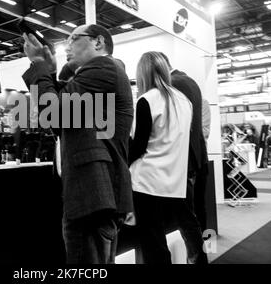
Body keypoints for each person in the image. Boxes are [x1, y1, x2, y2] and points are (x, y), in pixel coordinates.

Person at [21, 24, 134, 264]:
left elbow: (52, 111)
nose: (67, 46)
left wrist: (39, 64)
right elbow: (61, 119)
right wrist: (48, 71)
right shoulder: (99, 75)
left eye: (73, 39)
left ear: (98, 42)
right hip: (92, 195)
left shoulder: (103, 66)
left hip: (92, 194)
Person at [129, 51, 193, 264]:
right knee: (170, 234)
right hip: (175, 181)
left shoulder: (146, 100)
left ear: (142, 74)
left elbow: (138, 146)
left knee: (153, 243)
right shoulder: (184, 100)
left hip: (147, 182)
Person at [160, 52, 208, 264]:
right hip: (193, 158)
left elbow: (175, 127)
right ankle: (199, 257)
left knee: (186, 217)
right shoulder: (188, 81)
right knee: (191, 215)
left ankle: (197, 258)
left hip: (181, 161)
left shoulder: (174, 83)